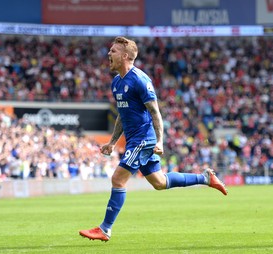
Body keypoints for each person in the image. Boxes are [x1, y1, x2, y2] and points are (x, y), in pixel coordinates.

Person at [79, 36, 228, 242]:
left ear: (125, 56)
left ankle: (105, 228)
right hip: (133, 138)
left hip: (143, 138)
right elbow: (123, 115)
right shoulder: (116, 82)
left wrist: (159, 141)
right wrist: (113, 142)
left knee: (118, 179)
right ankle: (205, 178)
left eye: (113, 51)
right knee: (159, 182)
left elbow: (155, 112)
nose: (108, 54)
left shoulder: (140, 80)